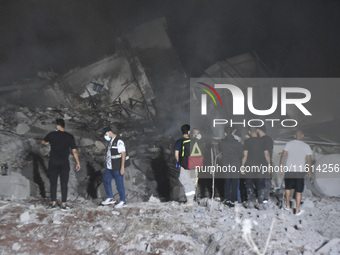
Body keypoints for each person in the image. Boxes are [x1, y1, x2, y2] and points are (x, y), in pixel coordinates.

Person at [42, 118, 81, 211]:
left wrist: (48, 142)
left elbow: (43, 142)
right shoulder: (69, 136)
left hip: (53, 162)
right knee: (64, 184)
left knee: (53, 183)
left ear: (58, 125)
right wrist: (78, 162)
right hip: (64, 163)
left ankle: (53, 203)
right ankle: (63, 205)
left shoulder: (51, 134)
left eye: (56, 125)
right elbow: (74, 151)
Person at [279, 129, 312, 216]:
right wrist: (309, 170)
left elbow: (283, 156)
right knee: (298, 191)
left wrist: (281, 168)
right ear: (302, 136)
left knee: (288, 188)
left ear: (294, 136)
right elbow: (309, 160)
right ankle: (297, 210)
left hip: (289, 170)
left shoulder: (288, 144)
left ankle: (287, 206)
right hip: (299, 171)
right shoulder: (306, 146)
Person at [241, 127, 271, 210]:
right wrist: (269, 165)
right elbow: (267, 154)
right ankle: (260, 204)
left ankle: (250, 202)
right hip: (261, 166)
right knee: (260, 184)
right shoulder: (262, 141)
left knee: (249, 184)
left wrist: (242, 166)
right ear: (256, 132)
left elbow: (245, 155)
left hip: (250, 165)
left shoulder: (247, 141)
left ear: (249, 132)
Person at [101, 126, 127, 208]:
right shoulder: (111, 141)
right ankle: (110, 198)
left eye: (105, 134)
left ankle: (123, 201)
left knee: (119, 184)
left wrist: (122, 167)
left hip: (117, 166)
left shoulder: (119, 141)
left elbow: (123, 153)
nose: (105, 136)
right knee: (106, 180)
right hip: (110, 167)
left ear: (109, 132)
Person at [219, 126, 243, 207]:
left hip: (225, 163)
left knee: (227, 181)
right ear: (233, 132)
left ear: (225, 133)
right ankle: (233, 200)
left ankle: (227, 198)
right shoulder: (238, 143)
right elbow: (241, 155)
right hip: (235, 163)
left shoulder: (221, 143)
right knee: (234, 182)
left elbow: (220, 151)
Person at [174, 124, 196, 204]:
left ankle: (189, 201)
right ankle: (192, 199)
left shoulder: (179, 141)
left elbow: (176, 154)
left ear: (182, 131)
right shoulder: (194, 141)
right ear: (189, 131)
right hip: (193, 165)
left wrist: (178, 162)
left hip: (184, 165)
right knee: (192, 181)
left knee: (185, 181)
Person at [256, 125, 273, 203]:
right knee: (267, 180)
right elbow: (269, 153)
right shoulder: (270, 139)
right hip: (268, 161)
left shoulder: (260, 140)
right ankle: (266, 197)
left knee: (260, 180)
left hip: (260, 162)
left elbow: (266, 153)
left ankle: (261, 197)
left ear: (259, 130)